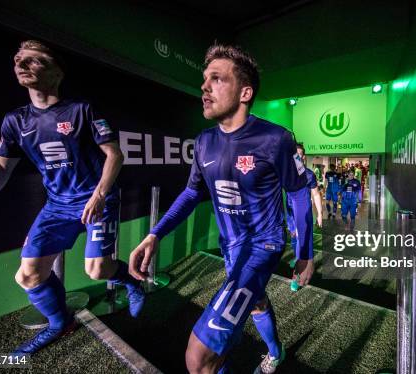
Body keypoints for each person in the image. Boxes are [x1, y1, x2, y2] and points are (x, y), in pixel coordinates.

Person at [128, 44, 314, 374]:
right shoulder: (203, 142)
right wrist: (156, 234)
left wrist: (305, 252)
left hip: (263, 246)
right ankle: (276, 351)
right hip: (231, 247)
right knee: (255, 302)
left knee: (198, 358)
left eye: (216, 79)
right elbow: (190, 194)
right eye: (204, 79)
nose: (204, 86)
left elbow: (299, 193)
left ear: (245, 92)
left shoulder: (276, 139)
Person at [0, 40, 144, 356]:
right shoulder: (15, 121)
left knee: (98, 270)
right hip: (58, 205)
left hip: (95, 199)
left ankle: (132, 282)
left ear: (57, 72)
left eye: (34, 60)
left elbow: (114, 153)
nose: (22, 63)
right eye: (19, 59)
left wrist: (100, 193)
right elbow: (1, 167)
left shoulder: (81, 111)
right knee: (28, 275)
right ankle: (61, 323)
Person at [286, 143, 323, 257]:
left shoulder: (309, 175)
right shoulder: (285, 174)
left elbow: (316, 195)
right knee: (294, 237)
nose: (296, 157)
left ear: (303, 157)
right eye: (294, 154)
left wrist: (320, 214)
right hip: (290, 213)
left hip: (304, 213)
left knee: (304, 240)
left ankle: (302, 266)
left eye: (299, 154)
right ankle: (299, 260)